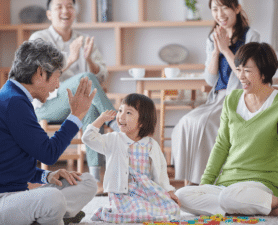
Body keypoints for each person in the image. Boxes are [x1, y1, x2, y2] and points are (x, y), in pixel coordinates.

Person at [0, 39, 98, 225]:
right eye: (57, 77)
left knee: (87, 182)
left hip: (12, 195)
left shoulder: (16, 98)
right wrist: (75, 116)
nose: (57, 85)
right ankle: (48, 216)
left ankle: (44, 217)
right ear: (40, 73)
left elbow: (12, 166)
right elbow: (49, 154)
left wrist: (47, 176)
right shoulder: (12, 102)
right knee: (51, 198)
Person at [175, 42, 278, 216]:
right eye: (238, 70)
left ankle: (270, 202)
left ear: (264, 72)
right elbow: (221, 145)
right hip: (227, 184)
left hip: (261, 183)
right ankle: (249, 207)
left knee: (230, 198)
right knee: (182, 195)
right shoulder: (232, 99)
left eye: (247, 70)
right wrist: (205, 185)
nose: (241, 76)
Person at [171, 0, 260, 185]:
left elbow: (247, 75)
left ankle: (206, 181)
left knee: (205, 123)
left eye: (224, 7)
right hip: (217, 98)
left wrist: (226, 49)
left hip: (240, 98)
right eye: (215, 9)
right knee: (185, 123)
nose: (220, 14)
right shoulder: (213, 36)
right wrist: (215, 50)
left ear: (236, 8)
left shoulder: (251, 36)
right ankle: (190, 182)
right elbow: (210, 80)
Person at [29, 0, 119, 181]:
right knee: (84, 79)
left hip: (77, 105)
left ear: (75, 11)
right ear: (49, 14)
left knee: (91, 108)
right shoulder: (38, 39)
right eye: (59, 6)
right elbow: (38, 76)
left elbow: (101, 76)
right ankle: (117, 123)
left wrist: (89, 60)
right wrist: (70, 59)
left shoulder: (84, 39)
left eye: (69, 6)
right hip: (47, 105)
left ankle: (94, 178)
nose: (65, 10)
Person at [82, 93, 180, 223]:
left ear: (142, 122)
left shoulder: (151, 144)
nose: (121, 116)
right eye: (120, 110)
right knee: (140, 210)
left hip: (146, 191)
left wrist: (168, 191)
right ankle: (107, 214)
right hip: (123, 194)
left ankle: (131, 213)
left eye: (128, 113)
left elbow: (161, 172)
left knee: (173, 209)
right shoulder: (114, 139)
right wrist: (100, 119)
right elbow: (88, 138)